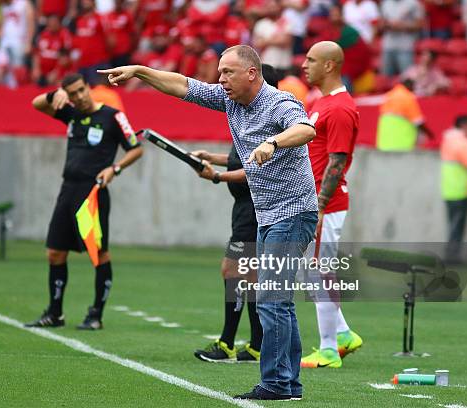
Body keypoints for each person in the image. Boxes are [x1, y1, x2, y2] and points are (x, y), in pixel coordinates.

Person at [99, 44, 318, 400]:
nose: (220, 79)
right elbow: (182, 86)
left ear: (251, 73)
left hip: (293, 212)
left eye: (227, 72)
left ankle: (276, 383)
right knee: (280, 300)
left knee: (270, 299)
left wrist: (272, 144)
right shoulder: (230, 100)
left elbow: (306, 130)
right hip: (269, 213)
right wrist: (139, 69)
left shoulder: (281, 102)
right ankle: (288, 384)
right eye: (220, 72)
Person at [25, 73, 143, 330]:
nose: (78, 97)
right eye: (72, 94)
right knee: (55, 252)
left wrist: (115, 169)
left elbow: (136, 148)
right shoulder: (71, 113)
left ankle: (96, 315)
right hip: (68, 190)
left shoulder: (112, 116)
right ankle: (55, 313)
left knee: (98, 253)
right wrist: (52, 95)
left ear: (88, 88)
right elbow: (36, 104)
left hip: (93, 194)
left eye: (81, 91)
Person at [191, 64, 283, 364]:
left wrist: (217, 176)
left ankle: (230, 343)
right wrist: (212, 157)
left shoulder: (268, 119)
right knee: (247, 277)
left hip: (254, 210)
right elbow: (238, 159)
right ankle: (255, 345)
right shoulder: (245, 114)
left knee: (235, 273)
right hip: (244, 209)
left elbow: (253, 171)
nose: (226, 83)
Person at [299, 41, 363, 369]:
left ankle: (327, 350)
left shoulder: (338, 108)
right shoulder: (324, 103)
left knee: (320, 273)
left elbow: (338, 160)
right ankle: (342, 335)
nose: (303, 64)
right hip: (320, 200)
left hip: (327, 202)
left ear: (329, 65)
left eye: (310, 60)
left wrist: (320, 205)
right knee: (315, 272)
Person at [440, 115, 467, 263]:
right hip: (460, 191)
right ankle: (452, 258)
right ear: (464, 125)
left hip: (449, 190)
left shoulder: (448, 140)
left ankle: (452, 255)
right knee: (457, 227)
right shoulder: (462, 143)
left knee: (453, 225)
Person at [376, 78, 434, 151]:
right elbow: (418, 122)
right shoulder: (407, 97)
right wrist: (430, 134)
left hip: (384, 143)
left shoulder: (389, 95)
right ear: (410, 86)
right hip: (402, 144)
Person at [379, 0, 424, 76]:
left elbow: (420, 24)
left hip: (405, 47)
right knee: (385, 79)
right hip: (388, 46)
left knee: (406, 80)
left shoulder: (413, 3)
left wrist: (402, 25)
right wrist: (385, 25)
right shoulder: (386, 3)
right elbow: (380, 24)